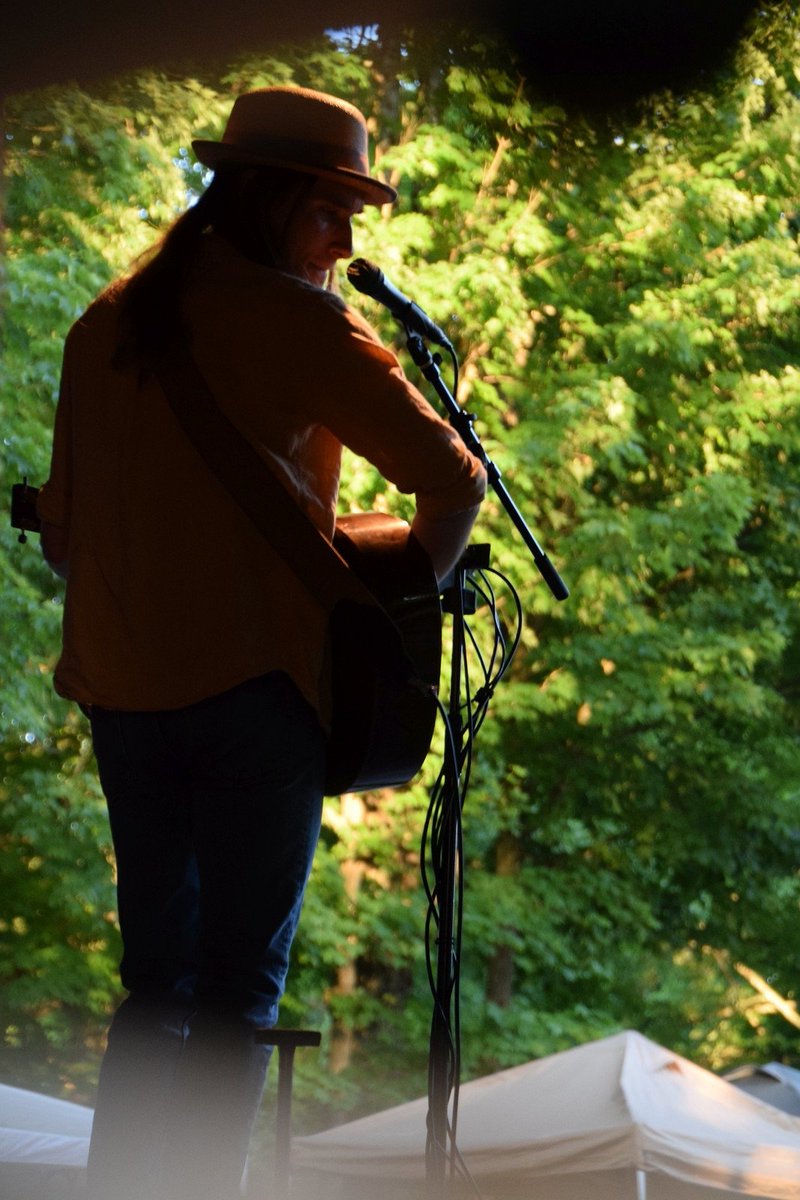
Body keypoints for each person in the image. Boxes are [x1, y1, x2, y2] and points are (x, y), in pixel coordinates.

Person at [37, 86, 486, 1200]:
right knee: (238, 992)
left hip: (126, 700)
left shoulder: (106, 326)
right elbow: (453, 479)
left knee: (156, 990)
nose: (345, 242)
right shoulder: (295, 321)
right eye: (333, 213)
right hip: (254, 698)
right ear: (274, 199)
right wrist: (390, 623)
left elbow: (63, 539)